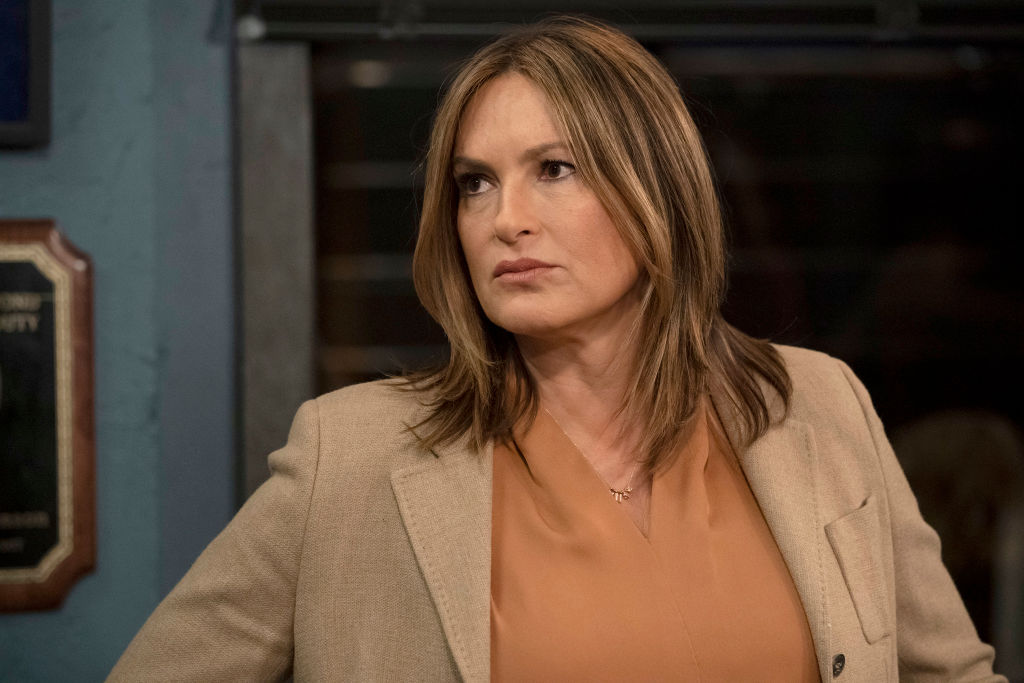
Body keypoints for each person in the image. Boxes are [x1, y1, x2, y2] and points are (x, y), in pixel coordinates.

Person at [109, 16, 1004, 682]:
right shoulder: (349, 456)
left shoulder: (819, 402)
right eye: (475, 184)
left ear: (658, 190)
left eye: (555, 168)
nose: (506, 219)